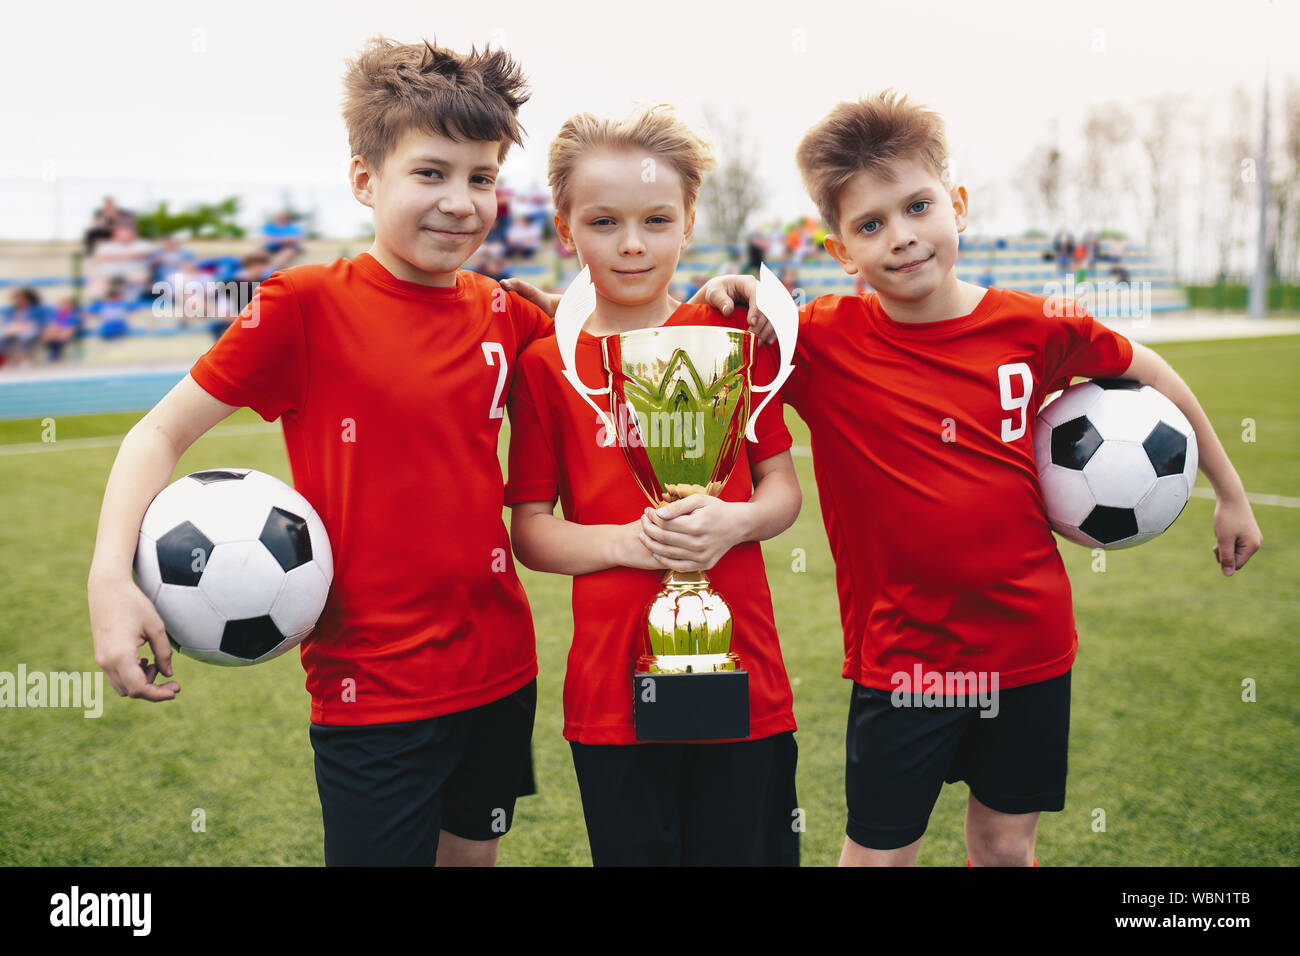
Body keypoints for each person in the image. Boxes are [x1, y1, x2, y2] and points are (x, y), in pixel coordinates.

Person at [693, 89, 1262, 867]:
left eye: (917, 206)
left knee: (1002, 845)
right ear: (841, 251)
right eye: (870, 224)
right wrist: (736, 292)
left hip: (1028, 644)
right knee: (879, 853)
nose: (902, 236)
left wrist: (1230, 493)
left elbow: (1150, 368)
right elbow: (683, 336)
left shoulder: (1034, 327)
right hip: (903, 657)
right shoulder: (820, 340)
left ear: (956, 204)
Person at [86, 38, 553, 868]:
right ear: (365, 180)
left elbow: (618, 341)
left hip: (500, 669)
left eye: (481, 178)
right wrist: (109, 581)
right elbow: (156, 432)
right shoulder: (303, 307)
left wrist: (716, 298)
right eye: (430, 173)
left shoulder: (506, 313)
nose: (460, 201)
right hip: (371, 689)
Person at [504, 105, 801, 866]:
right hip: (612, 693)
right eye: (603, 222)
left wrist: (734, 523)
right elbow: (531, 530)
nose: (632, 244)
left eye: (656, 220)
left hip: (745, 680)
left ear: (689, 223)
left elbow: (780, 491)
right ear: (567, 229)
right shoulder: (547, 364)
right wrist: (624, 542)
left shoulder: (735, 337)